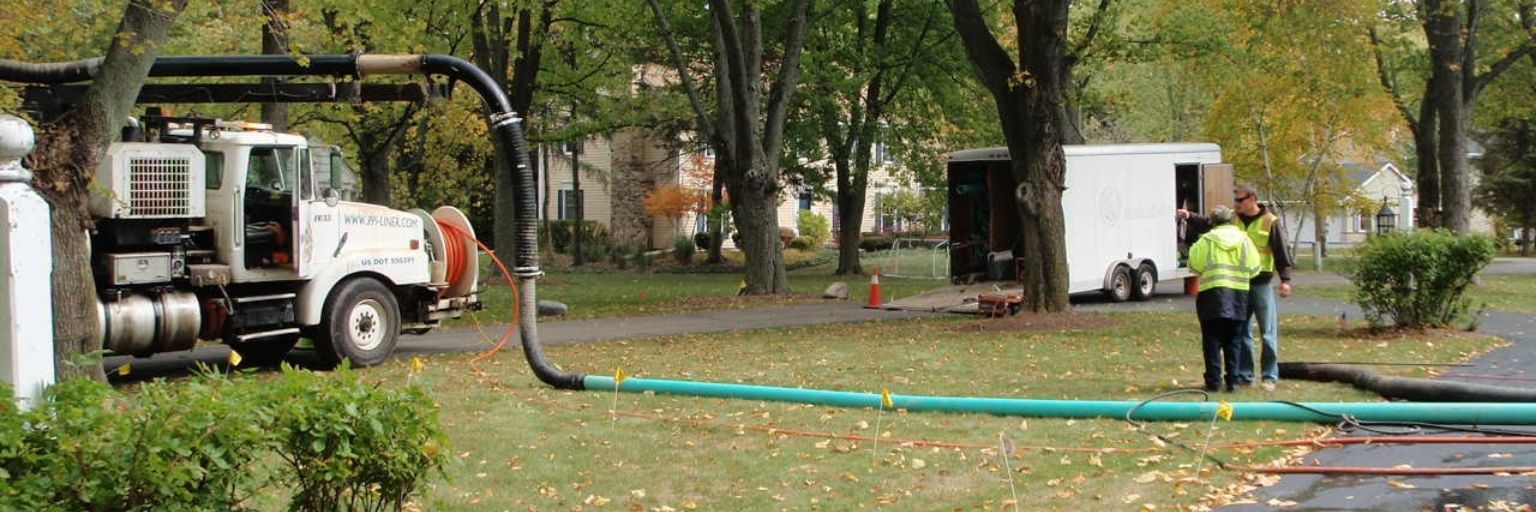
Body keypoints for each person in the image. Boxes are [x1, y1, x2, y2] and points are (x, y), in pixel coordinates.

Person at [1179, 183, 1295, 391]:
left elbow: (1281, 251)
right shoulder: (1233, 219)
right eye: (1235, 200)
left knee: (1267, 331)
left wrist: (1285, 280)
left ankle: (1269, 376)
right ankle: (1245, 375)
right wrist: (1189, 216)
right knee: (1242, 332)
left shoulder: (1270, 222)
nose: (1236, 204)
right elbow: (1210, 224)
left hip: (1261, 283)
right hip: (1238, 286)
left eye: (1239, 200)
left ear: (1252, 199)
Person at [1186, 206, 1261, 392]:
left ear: (1212, 222)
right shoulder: (1245, 240)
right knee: (1234, 341)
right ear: (1231, 220)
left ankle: (1213, 382)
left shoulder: (1206, 241)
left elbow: (1194, 265)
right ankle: (1233, 382)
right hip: (1238, 297)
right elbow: (1255, 268)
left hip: (1211, 296)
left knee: (1211, 341)